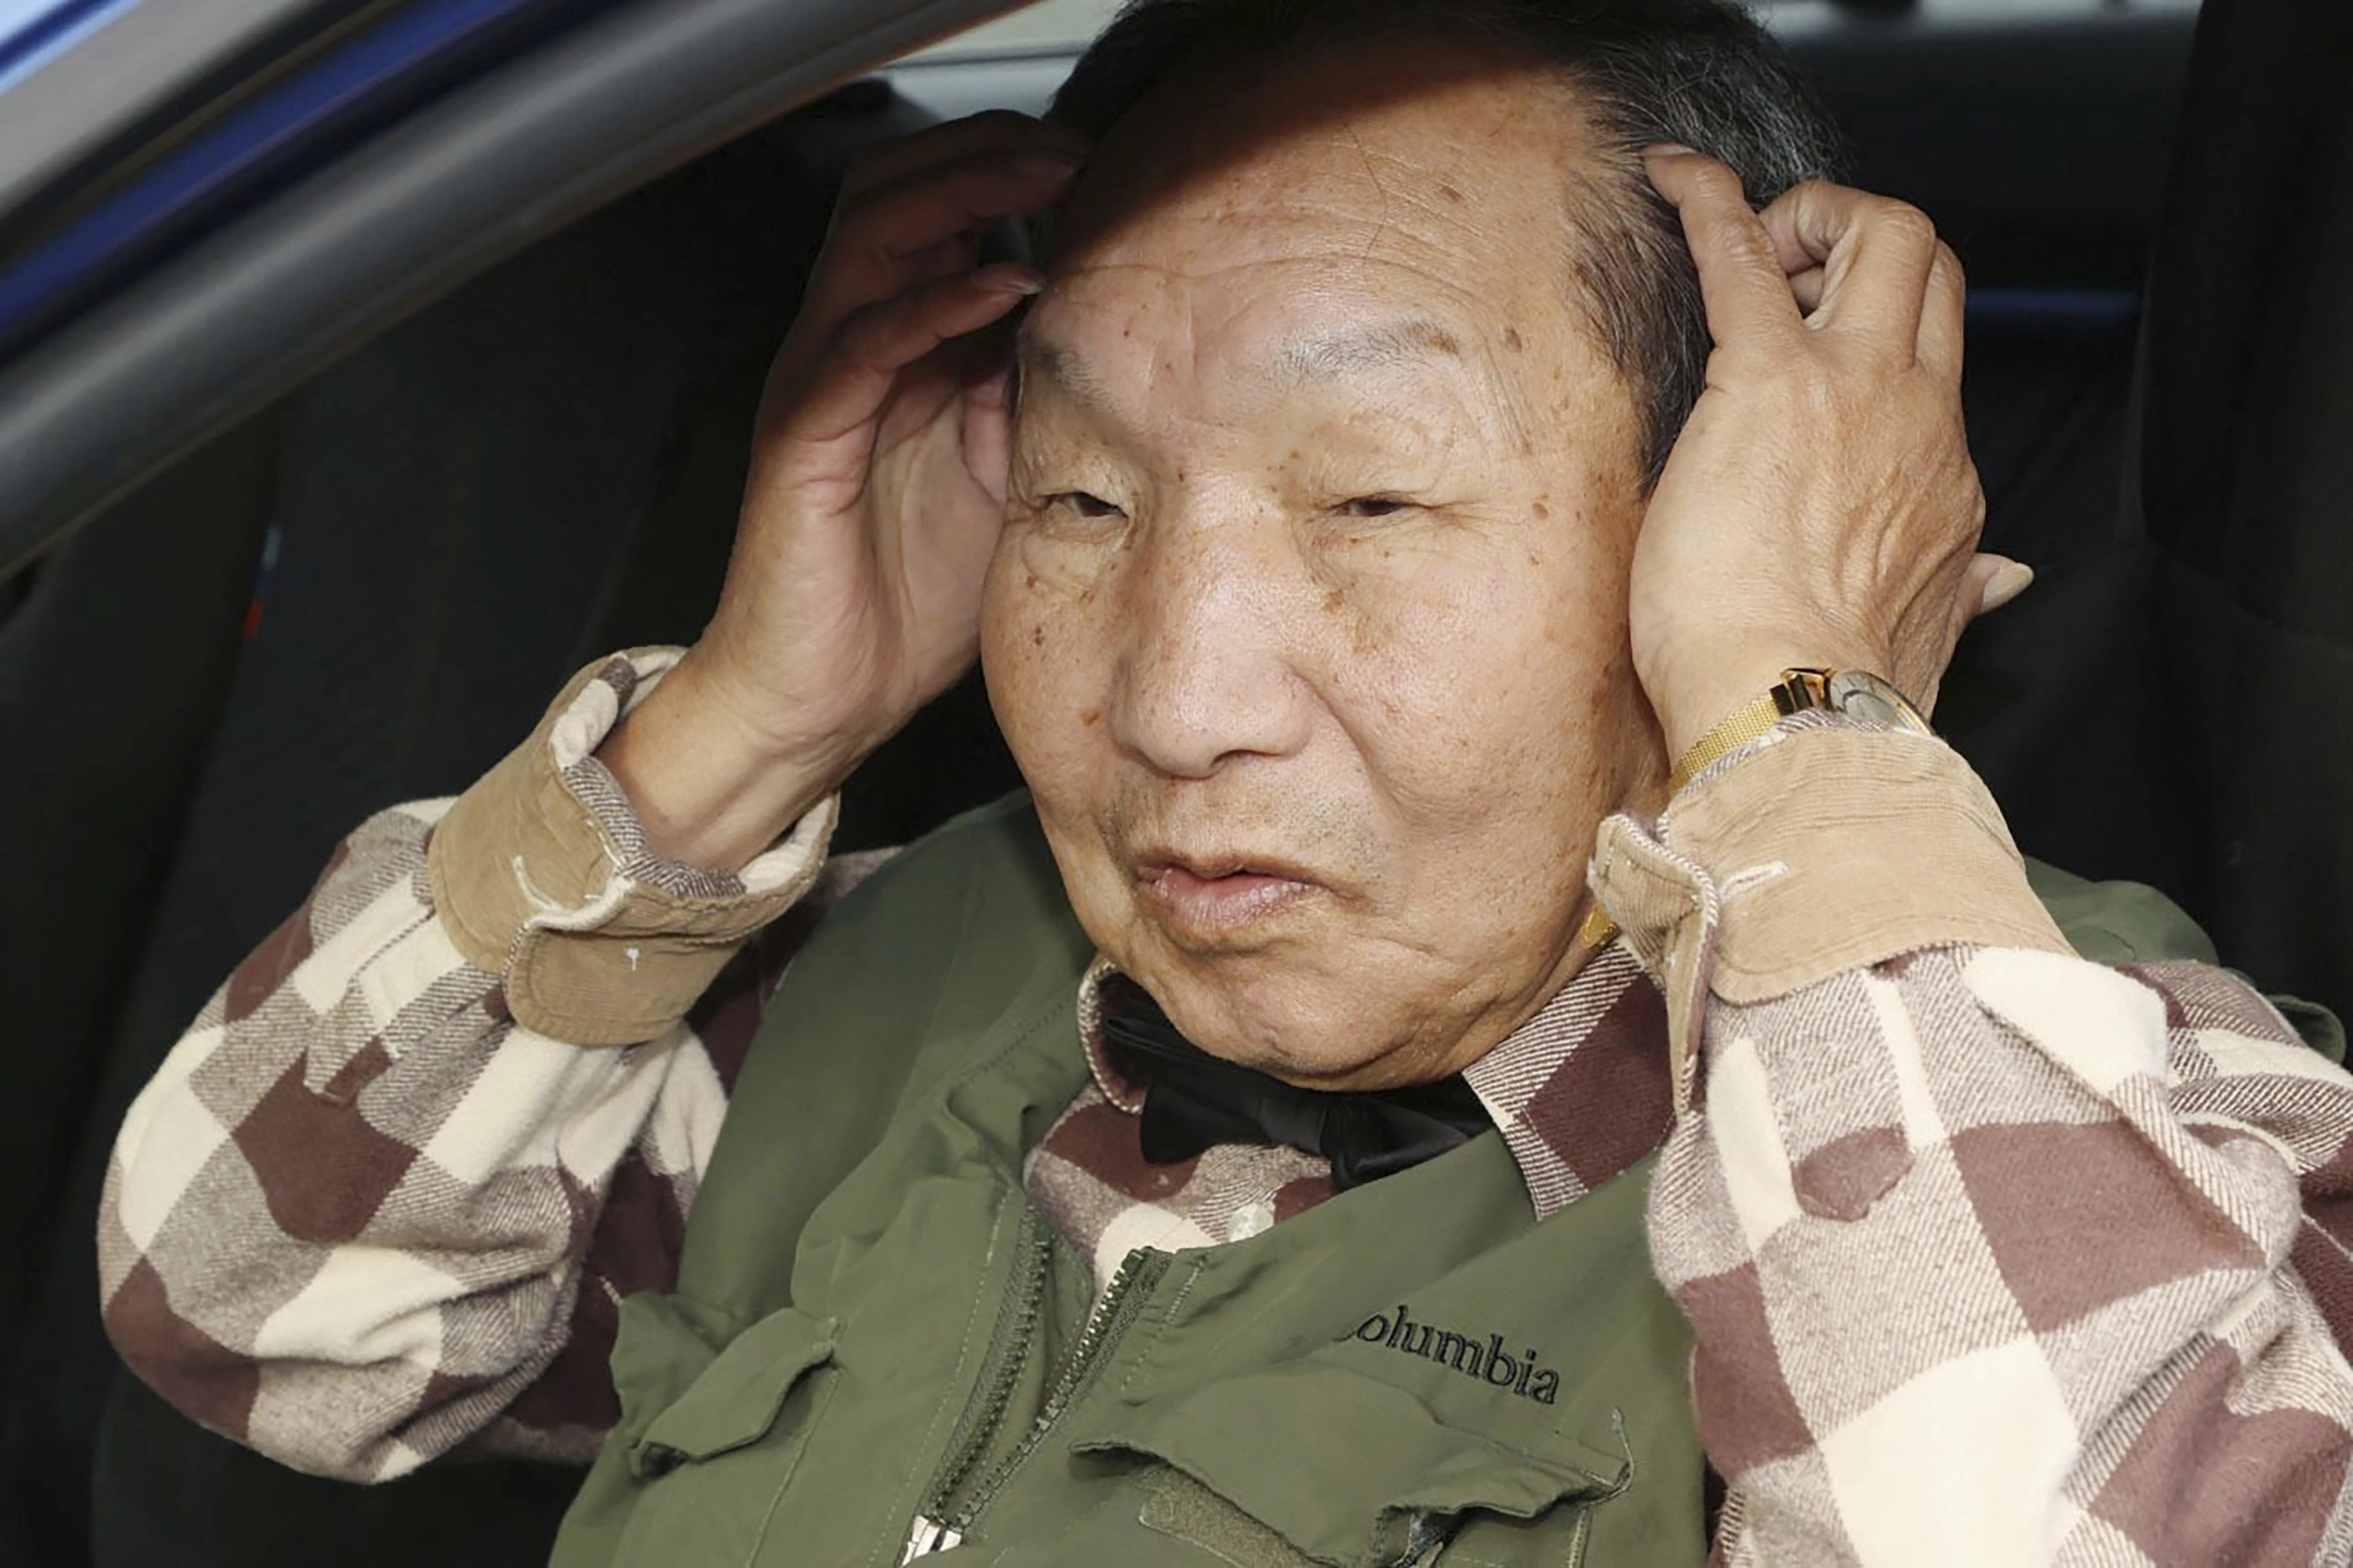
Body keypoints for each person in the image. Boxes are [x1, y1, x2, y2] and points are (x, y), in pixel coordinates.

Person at [96, 1, 2353, 1562]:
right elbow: (252, 1307)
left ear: (1716, 512)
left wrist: (1801, 722)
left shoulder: (2118, 1132)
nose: (1175, 702)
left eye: (1371, 499)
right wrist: (747, 719)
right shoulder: (890, 997)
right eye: (1082, 499)